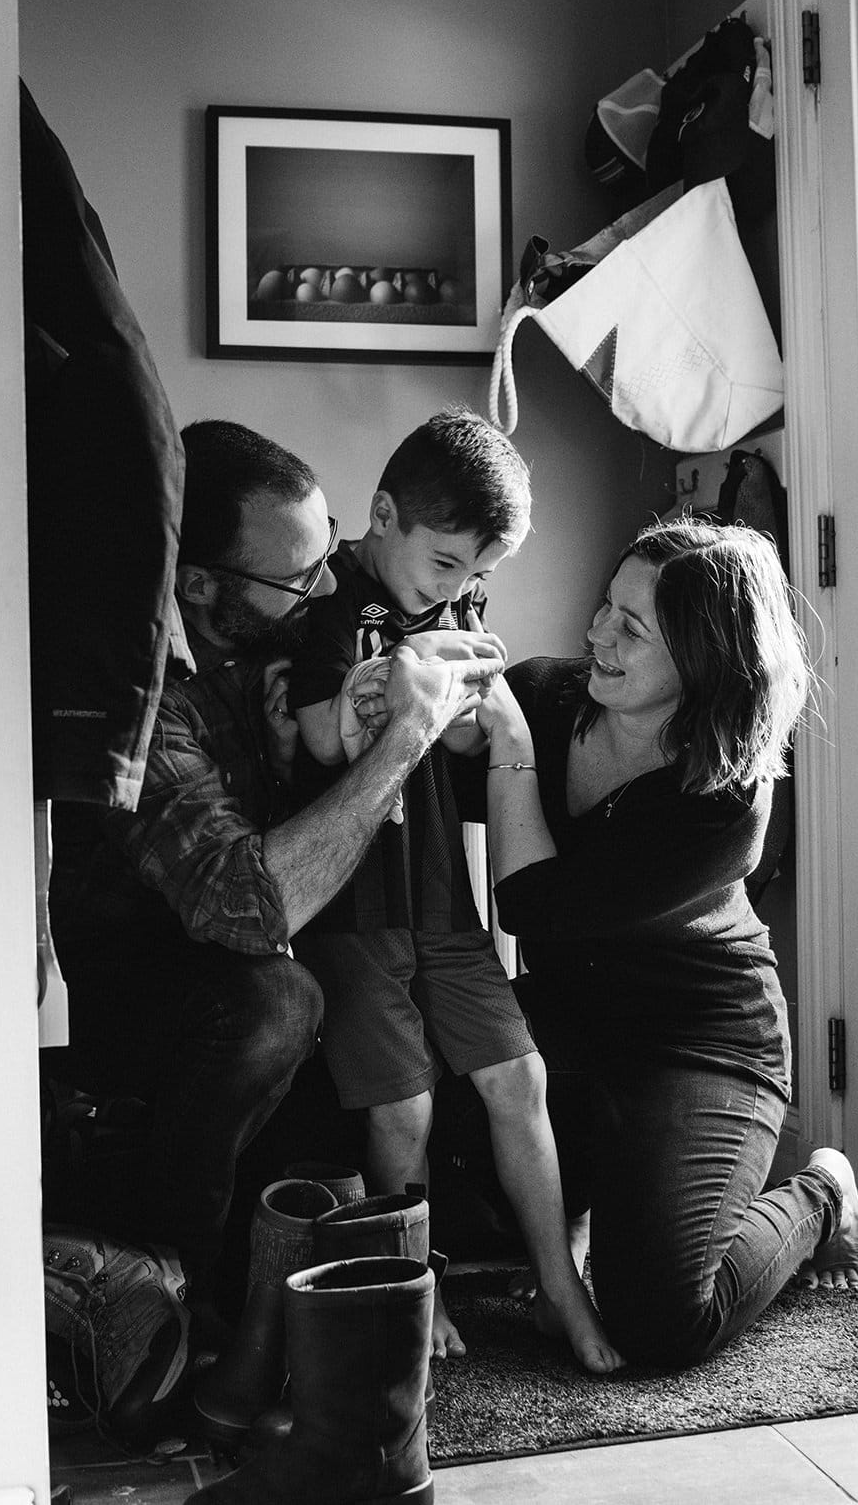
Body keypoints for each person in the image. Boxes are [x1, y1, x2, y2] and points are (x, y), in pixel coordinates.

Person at [46, 418, 503, 1297]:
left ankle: (314, 1317)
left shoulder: (283, 631)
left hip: (283, 939)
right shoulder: (139, 699)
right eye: (298, 576)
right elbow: (248, 908)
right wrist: (406, 732)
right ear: (201, 587)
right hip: (146, 977)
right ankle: (171, 1295)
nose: (328, 582)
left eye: (327, 549)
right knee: (279, 1000)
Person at [472, 517, 858, 1369]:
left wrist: (508, 749)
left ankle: (823, 1193)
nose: (596, 635)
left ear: (702, 659)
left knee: (659, 1321)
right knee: (442, 1138)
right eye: (605, 608)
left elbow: (535, 905)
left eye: (632, 627)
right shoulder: (548, 694)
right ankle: (588, 1201)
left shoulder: (725, 802)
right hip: (570, 1026)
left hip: (700, 1042)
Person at [285, 408, 617, 1373]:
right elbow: (315, 736)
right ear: (383, 516)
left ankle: (561, 1284)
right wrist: (397, 684)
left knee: (520, 1076)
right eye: (444, 566)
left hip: (440, 893)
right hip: (354, 908)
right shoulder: (331, 595)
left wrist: (482, 709)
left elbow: (478, 739)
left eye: (478, 577)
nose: (461, 591)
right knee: (405, 1108)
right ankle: (411, 1278)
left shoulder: (456, 607)